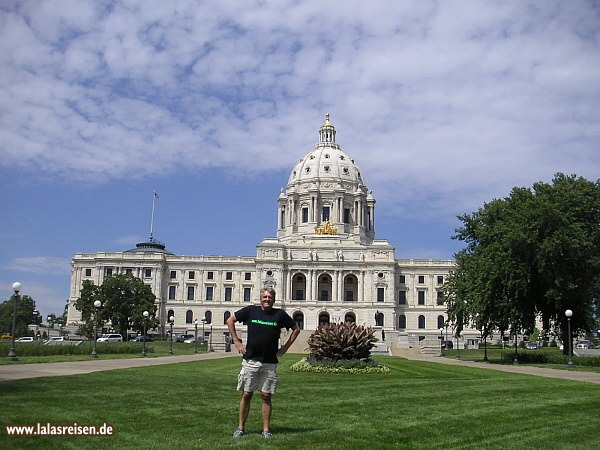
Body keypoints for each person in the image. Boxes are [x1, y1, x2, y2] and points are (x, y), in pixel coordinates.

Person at [226, 287, 301, 439]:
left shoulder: (279, 314)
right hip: (251, 359)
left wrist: (285, 347)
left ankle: (266, 429)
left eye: (269, 297)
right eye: (264, 297)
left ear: (274, 299)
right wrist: (236, 341)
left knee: (266, 396)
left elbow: (296, 329)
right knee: (247, 394)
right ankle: (240, 427)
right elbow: (230, 320)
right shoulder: (251, 311)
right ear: (261, 298)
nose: (267, 299)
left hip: (269, 362)